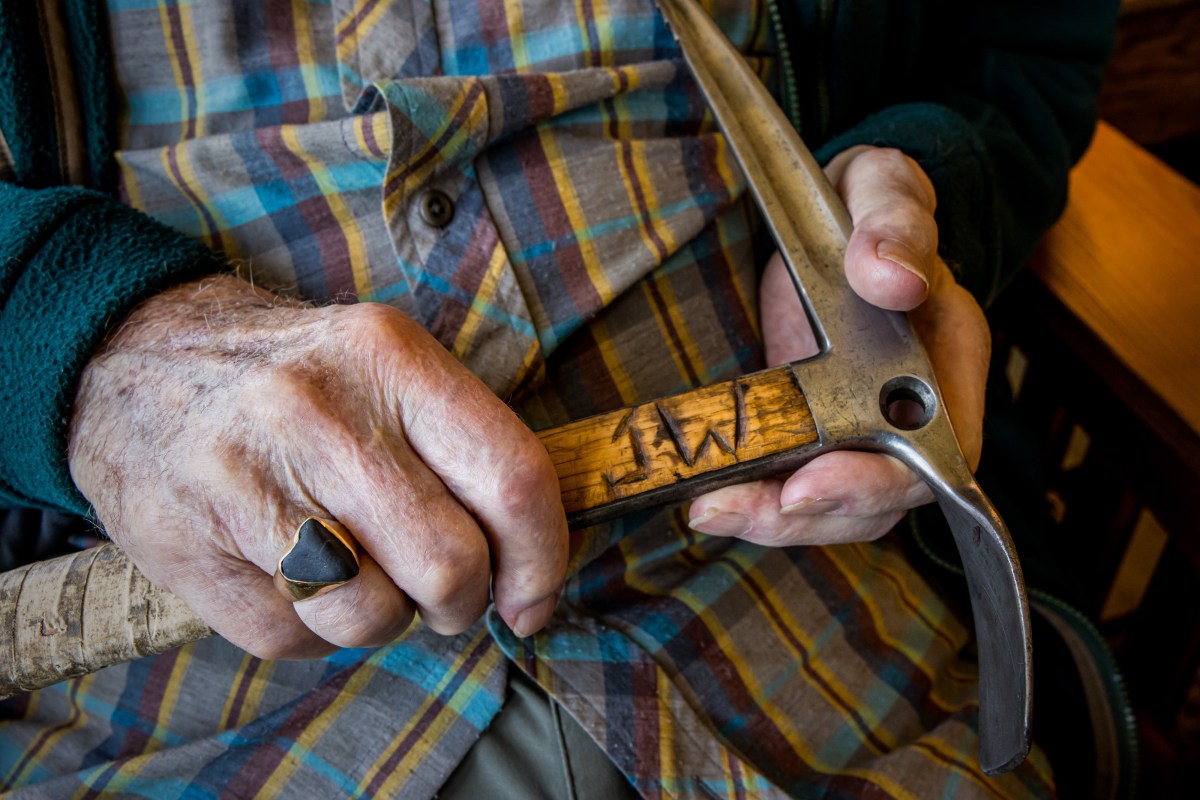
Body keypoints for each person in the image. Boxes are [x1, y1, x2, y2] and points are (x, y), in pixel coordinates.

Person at [0, 0, 1119, 796]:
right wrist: (81, 342)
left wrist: (918, 178)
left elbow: (1019, 49)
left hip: (836, 648)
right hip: (176, 709)